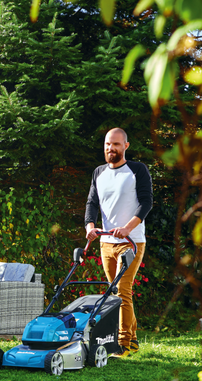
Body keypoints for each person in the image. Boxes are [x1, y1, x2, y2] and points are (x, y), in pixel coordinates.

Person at [85, 128, 153, 358]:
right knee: (115, 292)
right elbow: (91, 203)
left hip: (131, 241)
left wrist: (127, 228)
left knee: (123, 290)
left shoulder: (137, 170)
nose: (110, 148)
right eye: (107, 144)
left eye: (115, 144)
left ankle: (124, 344)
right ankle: (132, 340)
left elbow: (146, 203)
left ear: (126, 146)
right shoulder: (99, 172)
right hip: (106, 242)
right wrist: (90, 227)